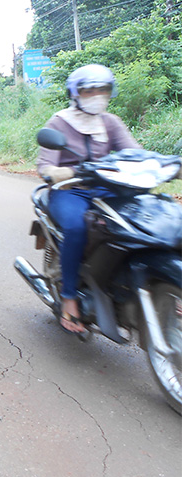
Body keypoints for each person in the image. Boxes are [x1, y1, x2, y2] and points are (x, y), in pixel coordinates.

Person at [36, 64, 140, 338]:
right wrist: (57, 172)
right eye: (89, 90)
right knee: (76, 228)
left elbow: (134, 153)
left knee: (145, 220)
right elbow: (45, 165)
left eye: (102, 90)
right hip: (70, 190)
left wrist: (163, 163)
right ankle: (69, 296)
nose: (97, 96)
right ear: (75, 93)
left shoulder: (110, 122)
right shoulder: (59, 122)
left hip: (107, 189)